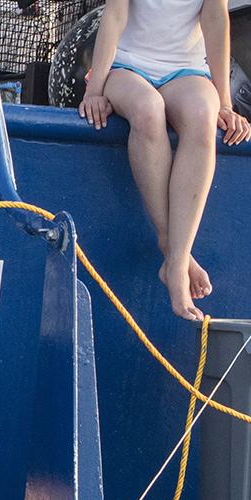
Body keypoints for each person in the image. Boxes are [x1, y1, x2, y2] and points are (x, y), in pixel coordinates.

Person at [77, 0, 250, 320]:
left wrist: (225, 102)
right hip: (126, 67)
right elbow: (115, 15)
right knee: (148, 110)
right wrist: (95, 90)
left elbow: (215, 18)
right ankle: (173, 252)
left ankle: (177, 258)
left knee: (203, 117)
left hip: (186, 70)